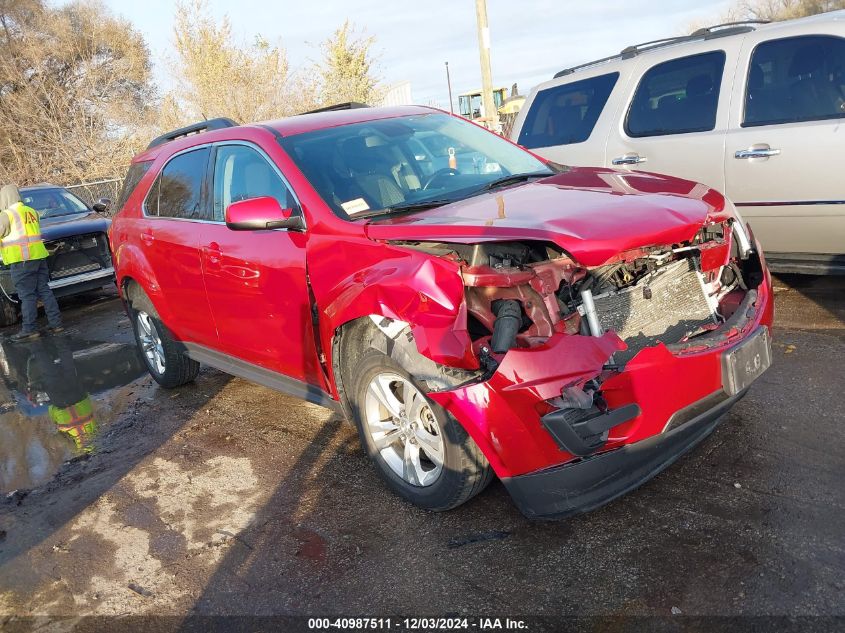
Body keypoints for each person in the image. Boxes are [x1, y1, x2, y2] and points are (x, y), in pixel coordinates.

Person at [0, 184, 63, 341]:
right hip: (39, 257)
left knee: (27, 295)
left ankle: (29, 329)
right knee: (44, 290)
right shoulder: (31, 211)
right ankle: (56, 324)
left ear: (5, 198)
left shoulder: (7, 215)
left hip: (22, 261)